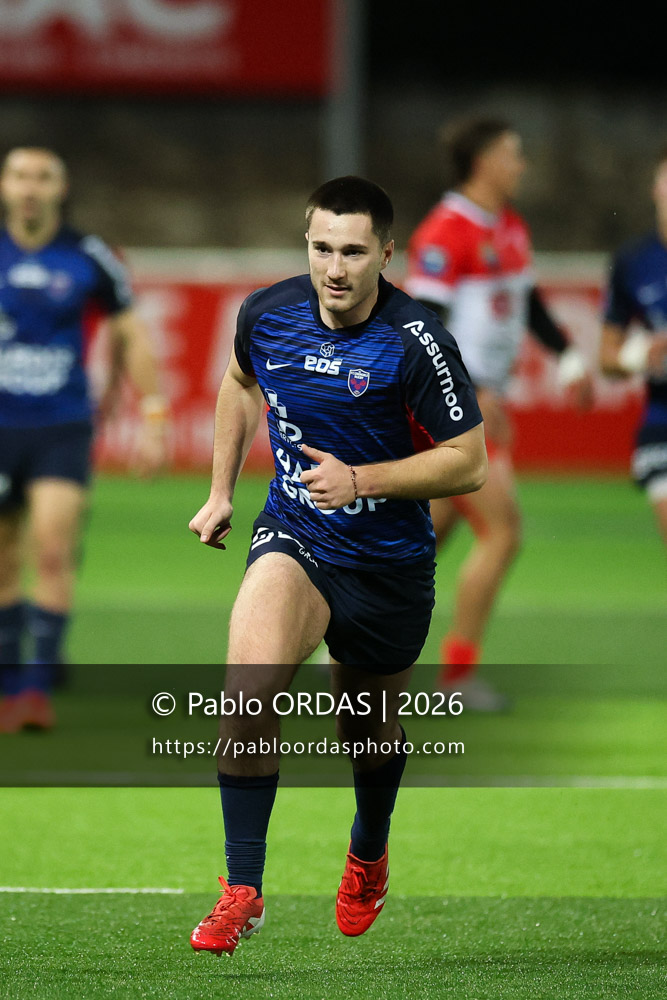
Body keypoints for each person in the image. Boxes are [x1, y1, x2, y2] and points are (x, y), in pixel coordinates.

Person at [188, 175, 487, 954]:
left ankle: (368, 849)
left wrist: (363, 479)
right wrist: (221, 490)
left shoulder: (416, 340)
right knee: (246, 695)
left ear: (385, 254)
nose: (335, 267)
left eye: (354, 251)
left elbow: (469, 461)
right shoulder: (267, 313)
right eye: (322, 247)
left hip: (388, 567)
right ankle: (241, 889)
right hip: (296, 537)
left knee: (368, 730)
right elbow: (237, 382)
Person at [405, 116, 593, 710]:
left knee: (416, 541)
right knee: (504, 532)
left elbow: (529, 304)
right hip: (453, 407)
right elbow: (422, 329)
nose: (522, 164)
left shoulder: (509, 227)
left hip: (481, 398)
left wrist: (566, 357)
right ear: (484, 162)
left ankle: (352, 638)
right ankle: (456, 678)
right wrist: (469, 394)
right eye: (513, 154)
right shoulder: (444, 232)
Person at [0, 146, 167, 732]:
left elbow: (130, 329)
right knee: (2, 558)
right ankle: (9, 680)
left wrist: (152, 413)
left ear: (60, 188)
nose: (30, 187)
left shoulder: (88, 255)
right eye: (20, 175)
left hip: (60, 427)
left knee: (50, 548)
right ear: (3, 184)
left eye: (43, 177)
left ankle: (36, 689)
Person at [599, 143, 667, 546]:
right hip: (662, 417)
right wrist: (642, 355)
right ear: (656, 187)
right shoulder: (633, 261)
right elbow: (607, 358)